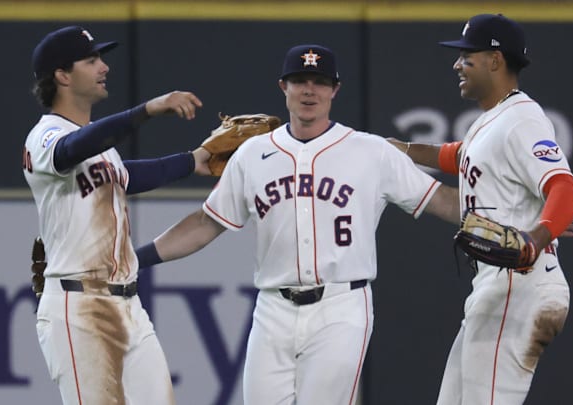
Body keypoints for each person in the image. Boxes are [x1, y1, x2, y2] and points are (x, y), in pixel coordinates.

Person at [133, 43, 461, 404]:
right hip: (273, 308)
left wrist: (515, 222)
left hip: (340, 305)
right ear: (282, 87)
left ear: (335, 89)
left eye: (320, 82)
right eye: (300, 80)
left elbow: (440, 200)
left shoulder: (370, 150)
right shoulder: (252, 154)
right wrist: (136, 260)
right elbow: (204, 224)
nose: (310, 90)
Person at [388, 14, 573, 405]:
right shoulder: (493, 120)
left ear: (495, 60)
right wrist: (401, 150)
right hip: (499, 287)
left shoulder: (522, 121)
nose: (457, 65)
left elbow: (564, 188)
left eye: (466, 56)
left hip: (520, 283)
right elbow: (458, 155)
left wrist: (536, 238)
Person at [22, 25, 211, 405]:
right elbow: (70, 150)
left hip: (129, 305)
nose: (103, 67)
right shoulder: (45, 136)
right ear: (62, 75)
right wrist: (148, 110)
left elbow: (127, 175)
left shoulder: (98, 142)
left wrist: (193, 161)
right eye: (91, 60)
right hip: (80, 307)